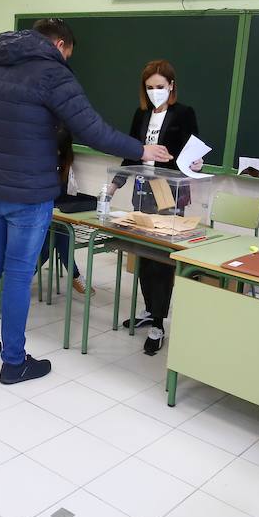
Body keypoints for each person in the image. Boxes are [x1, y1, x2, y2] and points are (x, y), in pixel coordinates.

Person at [0, 18, 171, 384]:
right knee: (18, 275)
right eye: (68, 55)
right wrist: (142, 148)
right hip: (29, 194)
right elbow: (92, 130)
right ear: (60, 46)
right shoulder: (52, 74)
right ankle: (13, 362)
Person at [112, 59, 203, 355]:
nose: (155, 93)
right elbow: (131, 153)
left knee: (162, 260)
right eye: (149, 88)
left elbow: (193, 151)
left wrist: (195, 162)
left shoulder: (184, 113)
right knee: (142, 255)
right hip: (142, 192)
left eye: (160, 87)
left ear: (172, 86)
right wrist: (114, 184)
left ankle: (159, 323)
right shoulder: (141, 114)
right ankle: (150, 309)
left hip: (170, 193)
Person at [40, 125, 92, 297]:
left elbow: (64, 193)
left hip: (54, 214)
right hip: (35, 213)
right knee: (56, 238)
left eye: (58, 151)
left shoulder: (65, 163)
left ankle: (17, 278)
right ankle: (75, 276)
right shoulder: (41, 161)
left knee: (60, 234)